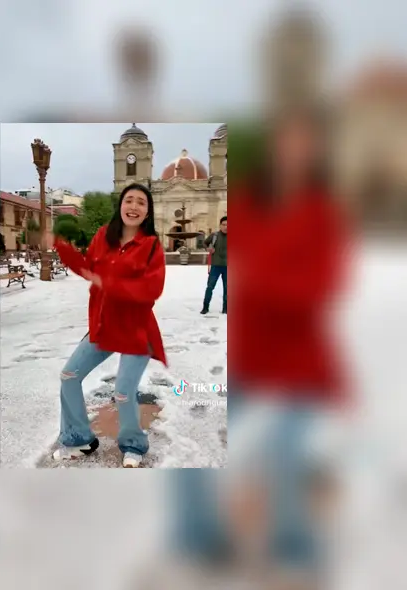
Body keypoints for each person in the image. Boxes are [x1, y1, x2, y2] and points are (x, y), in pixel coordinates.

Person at [170, 109, 349, 586]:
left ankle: (294, 551)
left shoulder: (323, 212)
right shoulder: (248, 201)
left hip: (300, 357)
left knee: (286, 454)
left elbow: (320, 284)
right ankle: (196, 538)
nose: (295, 152)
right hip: (251, 352)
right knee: (196, 451)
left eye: (306, 143)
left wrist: (267, 279)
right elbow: (251, 268)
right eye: (287, 140)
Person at [51, 183, 167, 468]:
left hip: (136, 329)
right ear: (121, 205)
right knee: (69, 376)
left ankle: (133, 445)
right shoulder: (104, 235)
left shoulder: (151, 246)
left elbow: (152, 289)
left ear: (148, 211)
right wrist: (61, 246)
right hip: (104, 325)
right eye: (129, 200)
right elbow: (88, 268)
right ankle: (79, 438)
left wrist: (111, 284)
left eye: (141, 202)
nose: (134, 206)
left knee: (123, 393)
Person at [201, 216, 227, 314]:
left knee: (227, 289)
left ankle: (226, 308)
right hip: (215, 266)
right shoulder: (214, 235)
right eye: (224, 225)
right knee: (210, 287)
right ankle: (205, 307)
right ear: (220, 225)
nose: (226, 227)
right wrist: (208, 248)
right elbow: (204, 243)